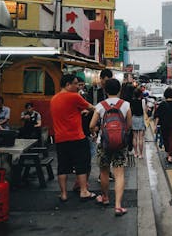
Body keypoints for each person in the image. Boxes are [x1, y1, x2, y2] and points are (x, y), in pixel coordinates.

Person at [50, 74, 96, 202]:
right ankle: (84, 191)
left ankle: (63, 194)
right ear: (67, 85)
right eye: (75, 84)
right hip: (76, 137)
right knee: (82, 164)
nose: (77, 86)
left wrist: (79, 112)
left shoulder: (54, 99)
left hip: (60, 138)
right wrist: (86, 111)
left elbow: (67, 113)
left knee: (62, 166)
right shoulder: (74, 97)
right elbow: (92, 108)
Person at [89, 78, 132, 216]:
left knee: (104, 172)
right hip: (120, 144)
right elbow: (129, 125)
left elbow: (91, 125)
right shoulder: (125, 105)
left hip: (104, 143)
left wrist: (95, 132)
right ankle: (118, 206)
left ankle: (105, 197)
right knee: (119, 174)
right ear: (119, 90)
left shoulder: (100, 105)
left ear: (105, 90)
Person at [154, 87, 172, 164]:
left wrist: (155, 126)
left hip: (164, 125)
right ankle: (170, 156)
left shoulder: (162, 104)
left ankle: (168, 155)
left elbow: (157, 116)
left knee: (166, 140)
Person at [130, 88, 147, 159]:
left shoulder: (132, 101)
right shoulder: (143, 101)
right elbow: (145, 110)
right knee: (140, 138)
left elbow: (130, 110)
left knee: (134, 137)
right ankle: (140, 154)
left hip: (133, 118)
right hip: (141, 118)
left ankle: (135, 153)